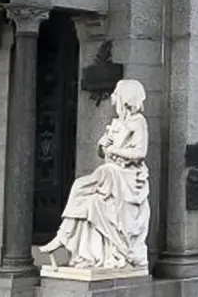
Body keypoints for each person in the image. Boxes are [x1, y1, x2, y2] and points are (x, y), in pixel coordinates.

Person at [40, 79, 150, 270]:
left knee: (88, 181)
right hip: (113, 174)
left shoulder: (138, 122)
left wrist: (115, 150)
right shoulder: (117, 123)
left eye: (116, 94)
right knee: (90, 203)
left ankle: (61, 237)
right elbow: (102, 154)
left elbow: (140, 153)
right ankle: (65, 238)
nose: (113, 99)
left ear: (126, 98)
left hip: (126, 178)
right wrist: (103, 144)